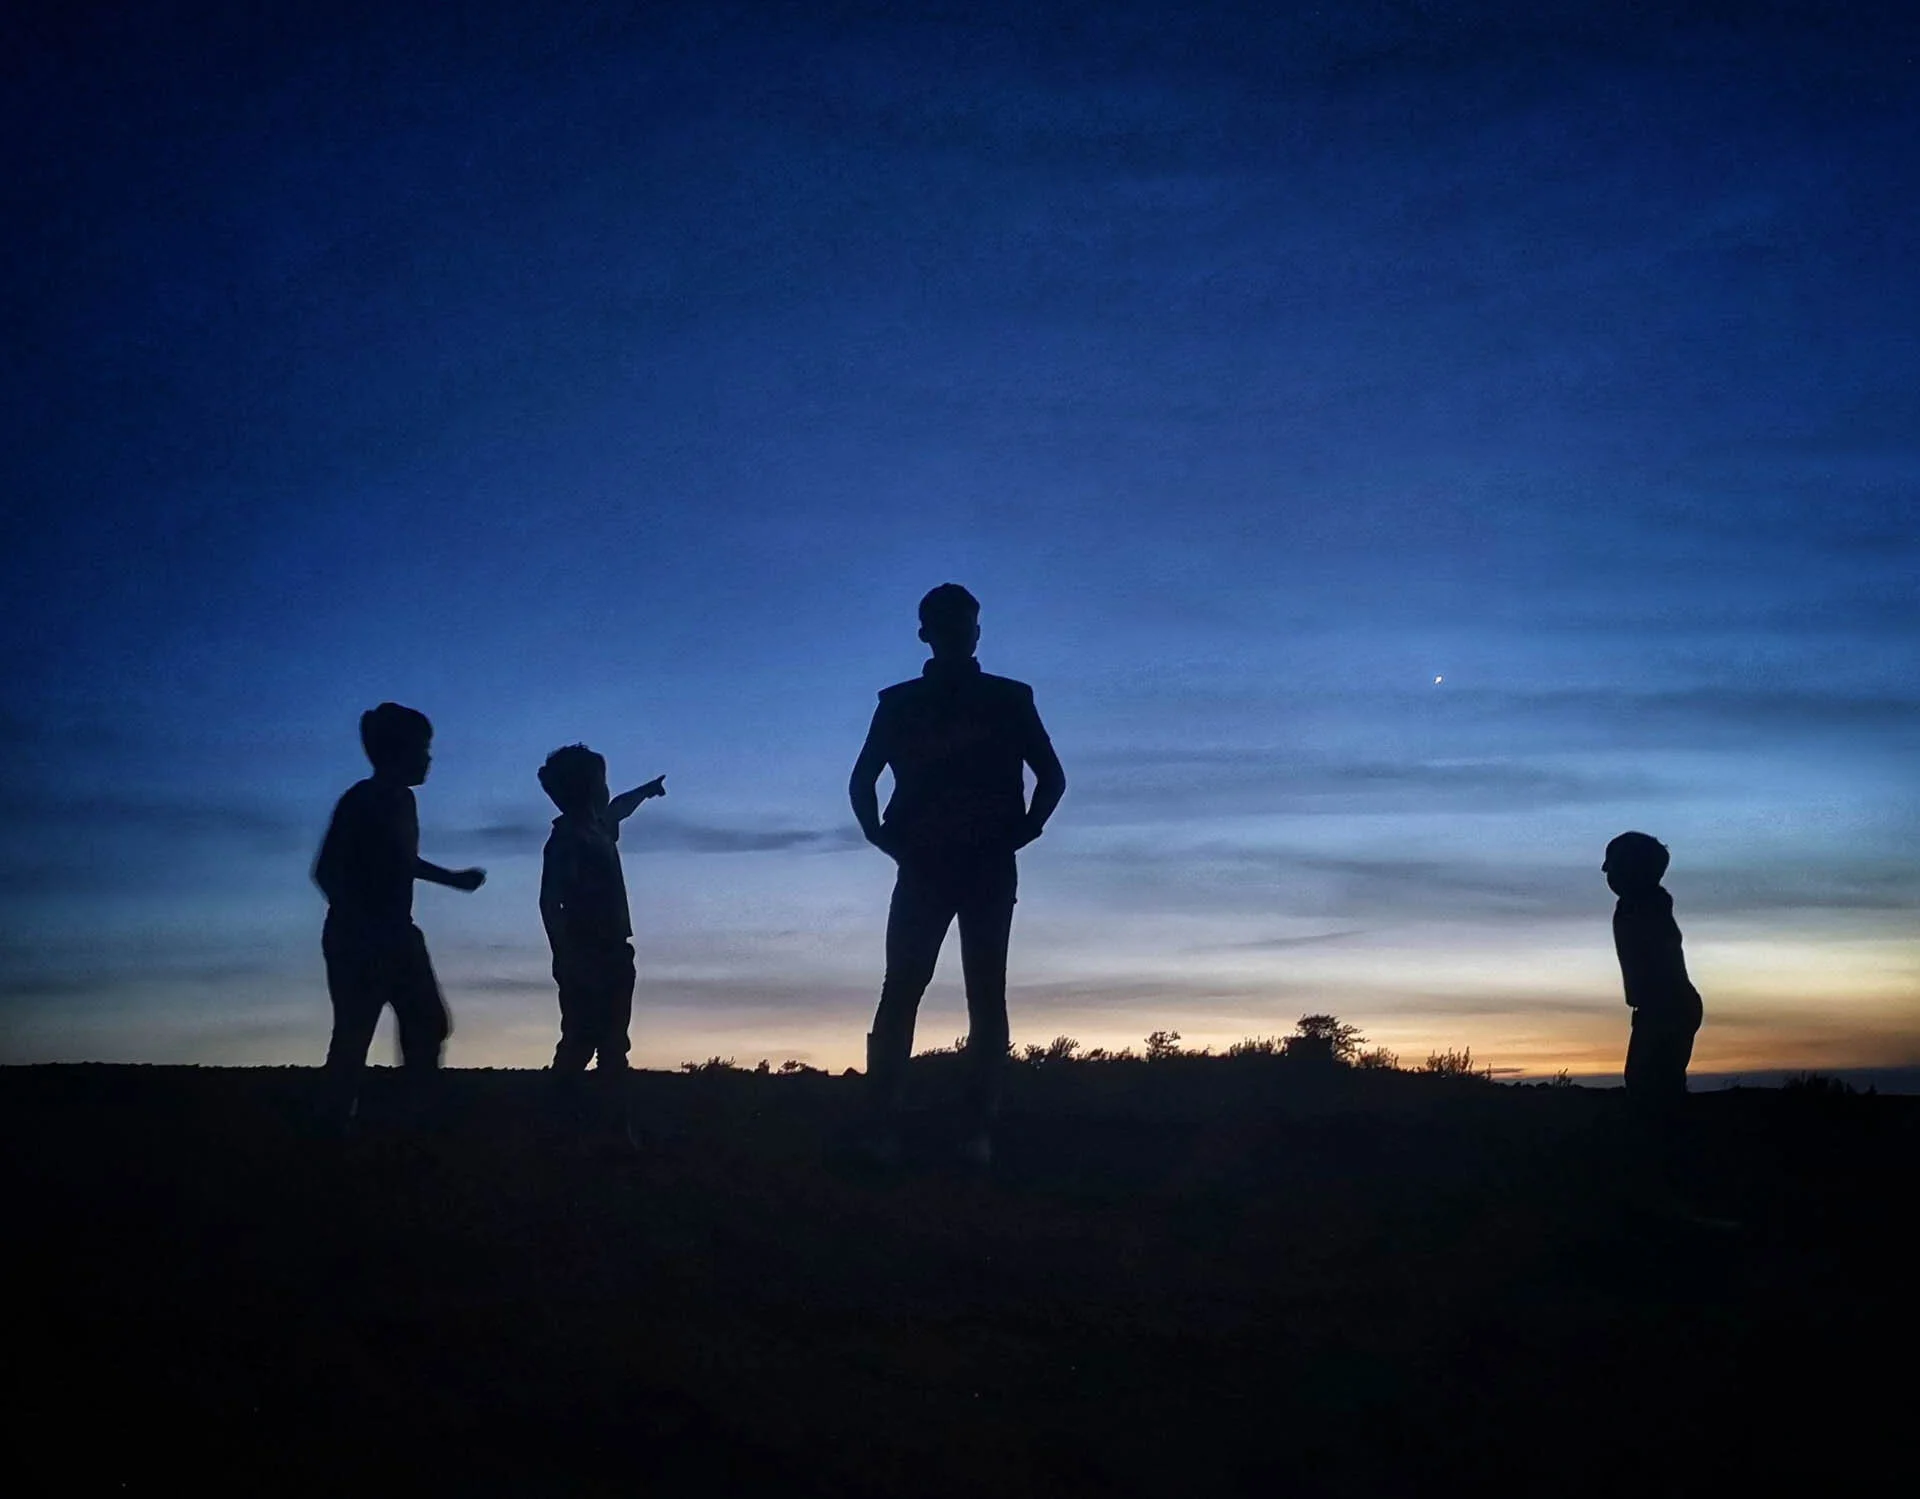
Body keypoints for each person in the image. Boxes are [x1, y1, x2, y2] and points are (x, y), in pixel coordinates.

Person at [848, 584, 1066, 1166]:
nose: (956, 633)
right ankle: (917, 1126)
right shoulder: (906, 702)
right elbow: (862, 781)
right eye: (948, 624)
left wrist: (1026, 829)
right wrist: (882, 837)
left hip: (968, 861)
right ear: (931, 632)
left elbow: (1052, 778)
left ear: (973, 631)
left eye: (962, 623)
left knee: (955, 992)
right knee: (926, 990)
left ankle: (959, 1128)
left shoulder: (1001, 699)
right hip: (937, 862)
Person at [312, 703, 485, 1132]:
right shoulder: (365, 799)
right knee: (357, 1034)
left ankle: (411, 1120)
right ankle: (339, 1128)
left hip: (394, 934)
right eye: (423, 748)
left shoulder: (399, 800)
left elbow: (401, 860)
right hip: (366, 937)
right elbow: (327, 871)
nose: (429, 758)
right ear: (397, 751)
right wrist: (362, 924)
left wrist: (451, 879)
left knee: (425, 1024)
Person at [538, 745, 665, 1130]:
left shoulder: (597, 828)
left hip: (613, 952)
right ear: (588, 788)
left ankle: (607, 1129)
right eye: (602, 781)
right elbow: (549, 903)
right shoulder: (566, 840)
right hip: (585, 954)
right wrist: (565, 956)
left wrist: (645, 792)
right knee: (580, 1041)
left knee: (611, 1045)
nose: (608, 790)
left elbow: (619, 808)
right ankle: (560, 1123)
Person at [1603, 831, 1704, 1104]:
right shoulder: (1639, 903)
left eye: (1612, 864)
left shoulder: (1646, 904)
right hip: (1661, 1007)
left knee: (1650, 1083)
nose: (1606, 872)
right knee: (1648, 1080)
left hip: (1668, 1007)